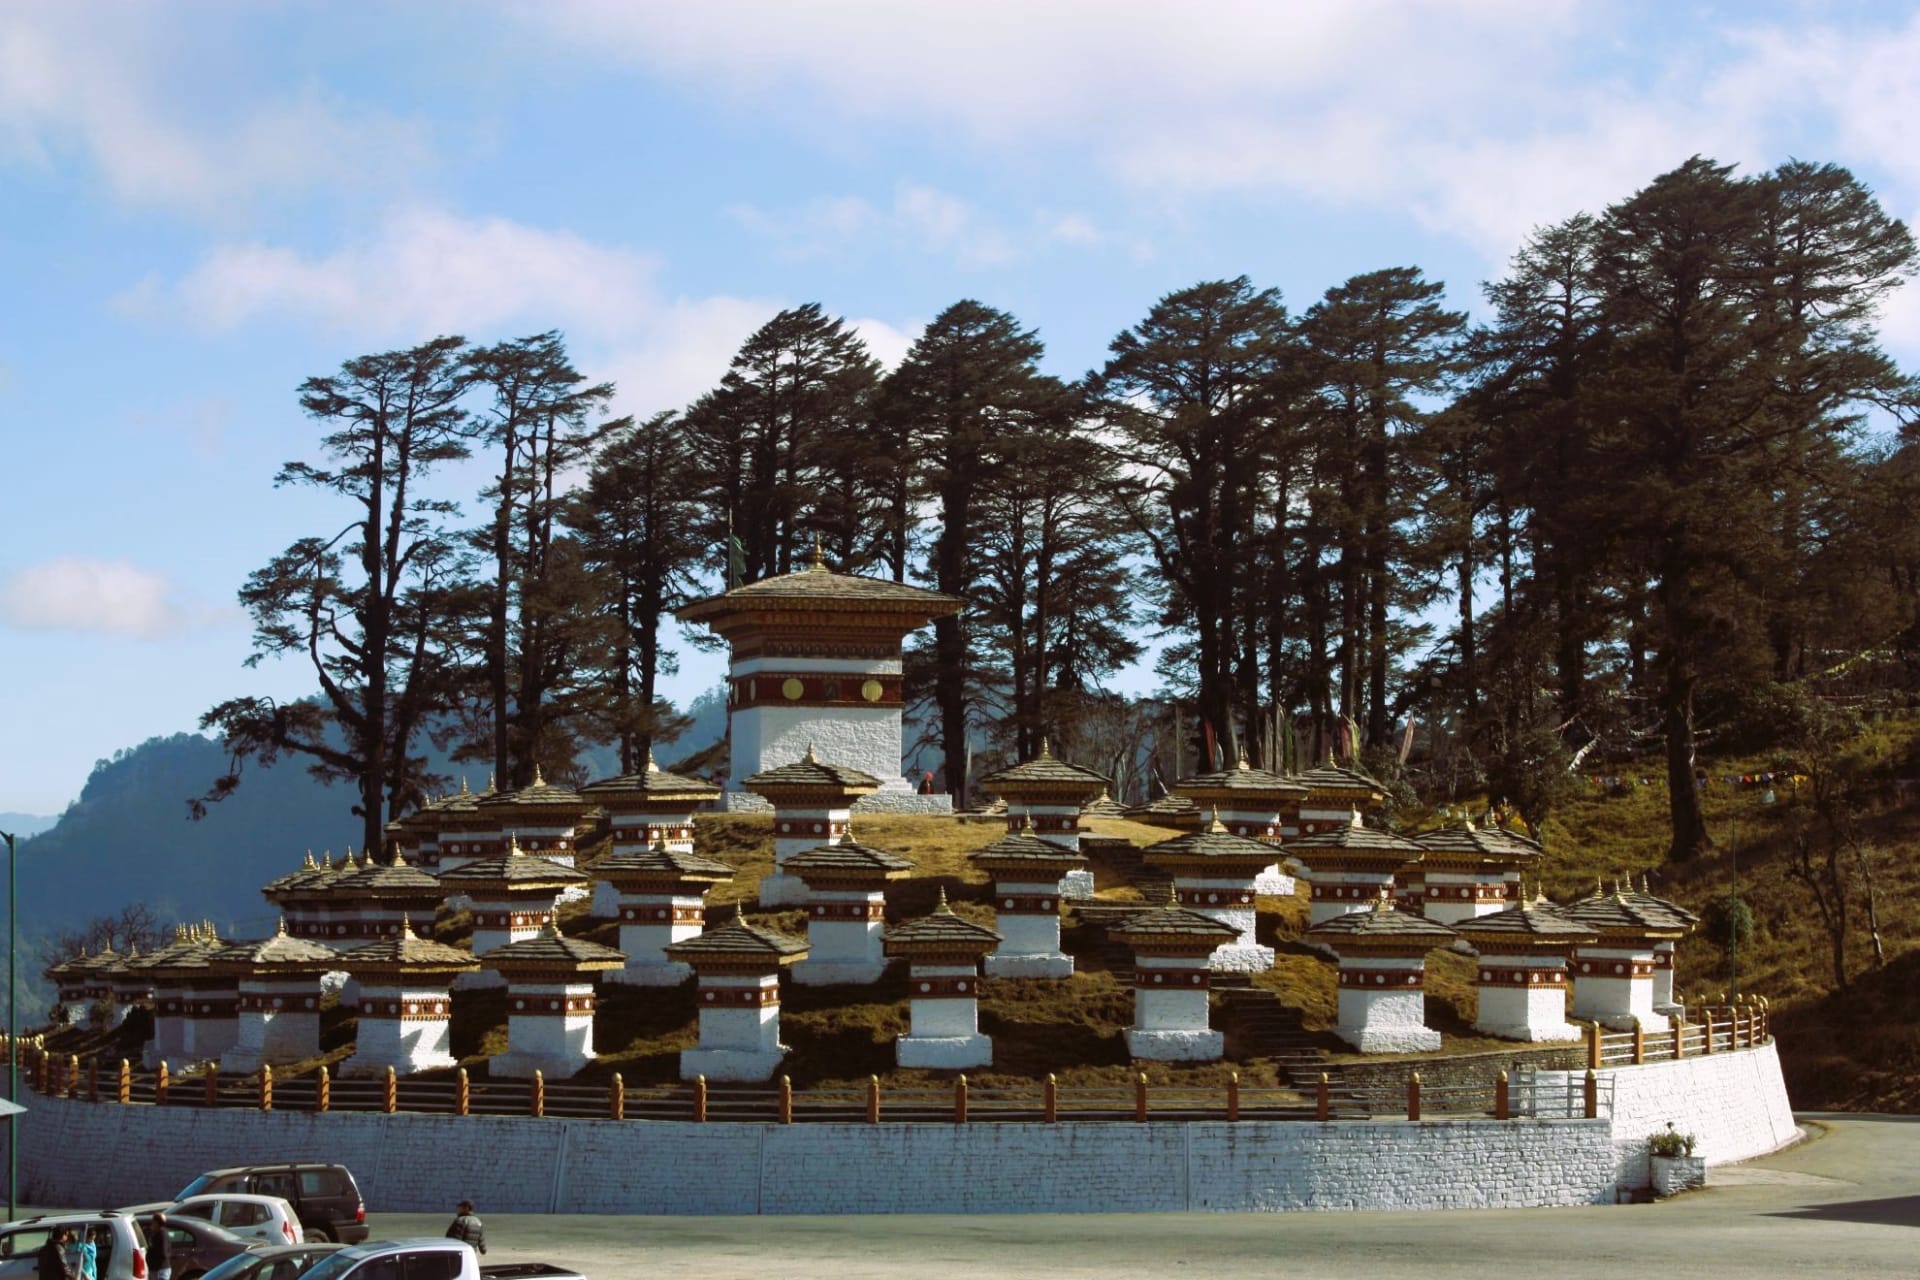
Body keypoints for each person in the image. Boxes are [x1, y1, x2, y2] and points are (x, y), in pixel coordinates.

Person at [147, 1213, 172, 1280]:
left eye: (153, 1221)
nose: (152, 1223)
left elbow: (163, 1253)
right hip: (158, 1270)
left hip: (160, 1270)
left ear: (156, 1223)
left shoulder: (162, 1235)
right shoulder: (158, 1234)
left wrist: (153, 1263)